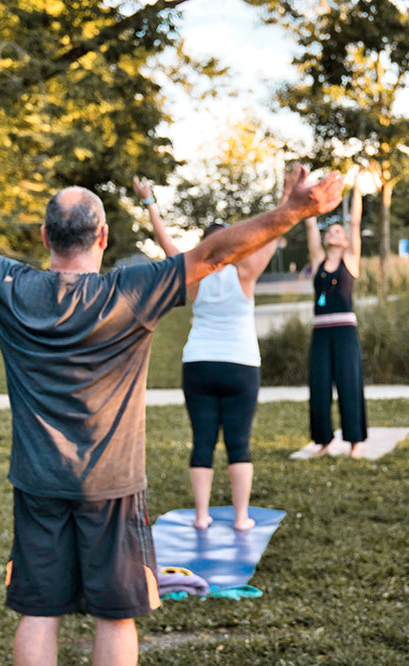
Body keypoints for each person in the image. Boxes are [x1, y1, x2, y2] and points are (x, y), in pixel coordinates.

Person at [0, 150, 342, 666]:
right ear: (102, 237)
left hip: (38, 484)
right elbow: (216, 254)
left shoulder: (9, 286)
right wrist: (293, 211)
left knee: (38, 613)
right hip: (112, 488)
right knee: (115, 616)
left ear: (45, 237)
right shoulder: (132, 292)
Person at [133, 176, 278, 532]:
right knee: (238, 444)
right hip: (241, 365)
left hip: (198, 363)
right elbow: (271, 235)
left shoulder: (193, 275)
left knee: (202, 442)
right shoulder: (245, 272)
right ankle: (241, 517)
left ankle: (201, 517)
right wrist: (289, 199)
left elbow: (165, 243)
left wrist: (149, 199)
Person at [304, 174, 367, 458]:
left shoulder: (350, 261)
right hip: (320, 333)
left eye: (338, 233)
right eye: (331, 231)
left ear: (344, 242)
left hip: (344, 333)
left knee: (349, 385)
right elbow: (309, 222)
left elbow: (355, 223)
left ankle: (354, 444)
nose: (334, 233)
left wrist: (357, 187)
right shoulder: (318, 260)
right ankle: (324, 442)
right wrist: (308, 193)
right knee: (319, 387)